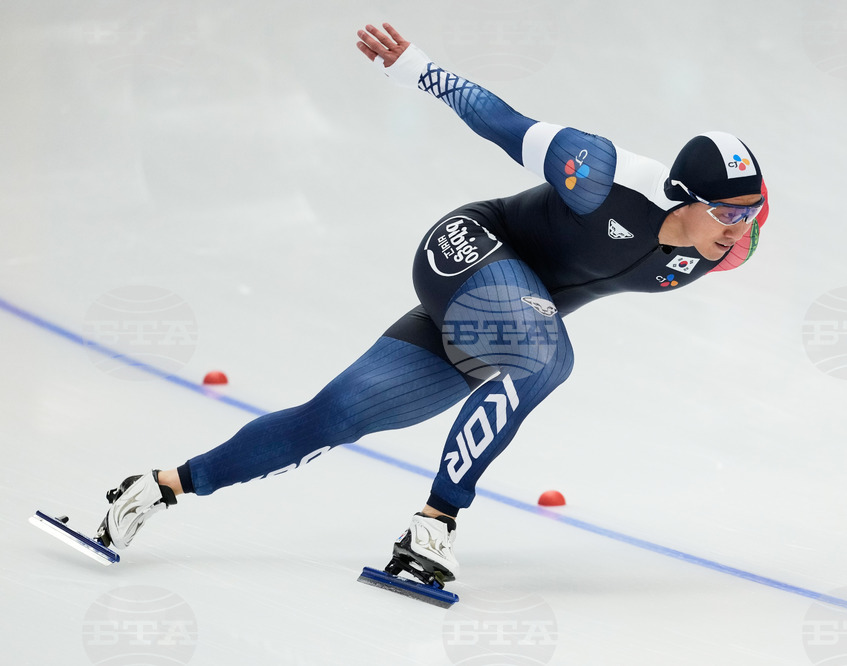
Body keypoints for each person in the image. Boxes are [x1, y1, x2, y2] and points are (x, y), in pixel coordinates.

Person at [94, 23, 770, 586]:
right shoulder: (597, 172)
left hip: (507, 316)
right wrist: (414, 67)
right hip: (469, 247)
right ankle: (435, 523)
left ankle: (156, 487)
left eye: (748, 216)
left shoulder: (727, 251)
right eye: (725, 213)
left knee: (337, 414)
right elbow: (502, 120)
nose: (736, 231)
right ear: (682, 193)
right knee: (546, 355)